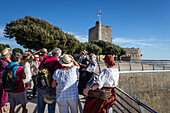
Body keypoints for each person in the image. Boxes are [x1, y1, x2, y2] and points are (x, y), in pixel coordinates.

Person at [38, 48, 63, 113]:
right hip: (52, 87)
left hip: (41, 86)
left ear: (52, 53)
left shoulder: (44, 60)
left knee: (40, 108)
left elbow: (39, 69)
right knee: (51, 109)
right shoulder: (58, 63)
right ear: (59, 55)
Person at [0, 48, 11, 113]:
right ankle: (2, 109)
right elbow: (11, 67)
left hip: (2, 80)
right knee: (2, 94)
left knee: (3, 94)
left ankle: (3, 107)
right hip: (2, 80)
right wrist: (9, 61)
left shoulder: (1, 61)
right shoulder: (4, 63)